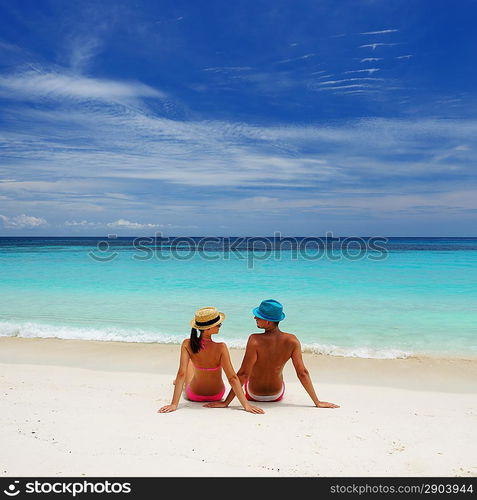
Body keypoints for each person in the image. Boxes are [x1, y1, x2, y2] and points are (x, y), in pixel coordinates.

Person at [205, 299, 340, 409]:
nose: (255, 317)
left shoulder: (254, 340)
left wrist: (226, 403)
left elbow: (243, 374)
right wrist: (317, 402)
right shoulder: (292, 340)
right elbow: (302, 372)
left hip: (254, 394)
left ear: (268, 321)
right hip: (276, 395)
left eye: (258, 316)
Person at [158, 306, 264, 414]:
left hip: (194, 395)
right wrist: (246, 405)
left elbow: (181, 373)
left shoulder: (187, 344)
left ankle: (179, 383)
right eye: (218, 324)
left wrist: (174, 404)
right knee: (192, 364)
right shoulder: (221, 347)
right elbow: (232, 378)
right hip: (217, 395)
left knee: (190, 363)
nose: (220, 326)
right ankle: (180, 382)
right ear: (208, 328)